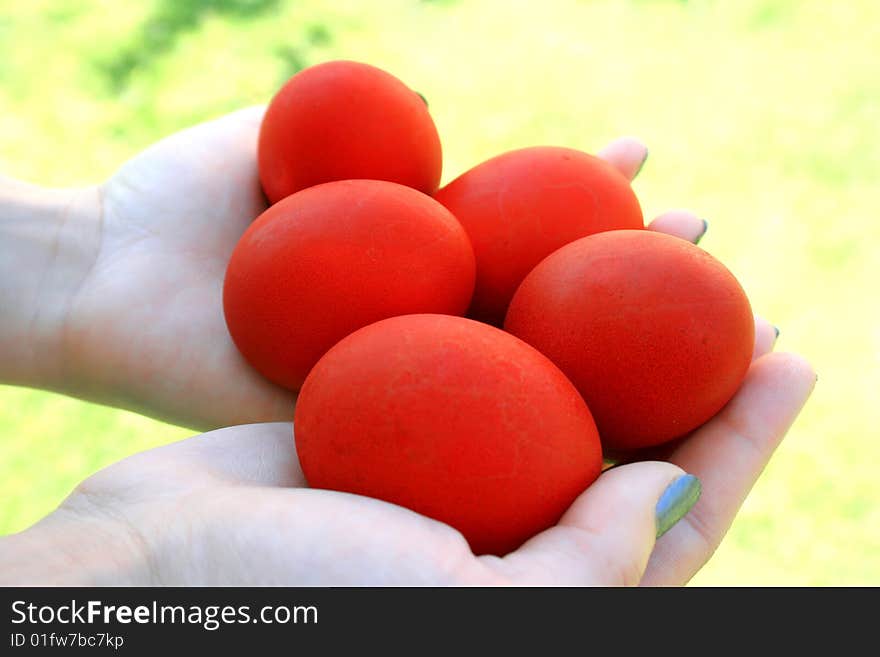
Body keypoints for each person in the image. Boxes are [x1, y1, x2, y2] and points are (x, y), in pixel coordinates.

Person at [0, 108, 816, 585]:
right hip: (413, 358)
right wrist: (145, 567)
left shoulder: (436, 310)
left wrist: (70, 263)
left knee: (660, 294)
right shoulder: (372, 314)